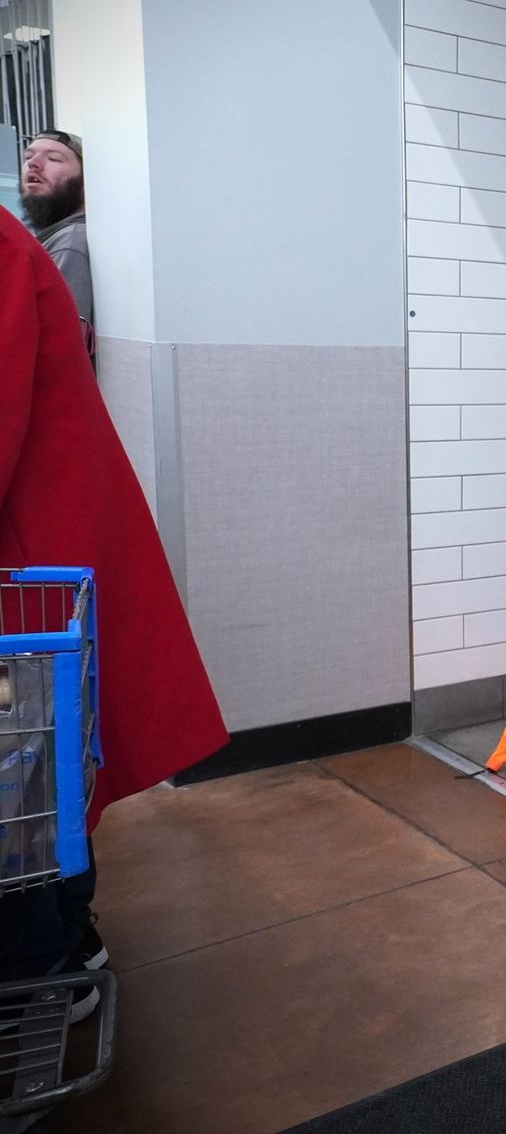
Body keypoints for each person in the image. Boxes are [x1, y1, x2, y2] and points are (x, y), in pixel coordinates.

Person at [0, 207, 227, 1018]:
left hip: (29, 562)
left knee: (24, 779)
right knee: (40, 771)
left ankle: (43, 971)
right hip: (40, 554)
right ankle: (62, 945)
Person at [19, 129, 92, 359]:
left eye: (53, 159)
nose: (34, 164)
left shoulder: (70, 242)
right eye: (28, 157)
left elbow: (58, 351)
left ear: (86, 181)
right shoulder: (50, 239)